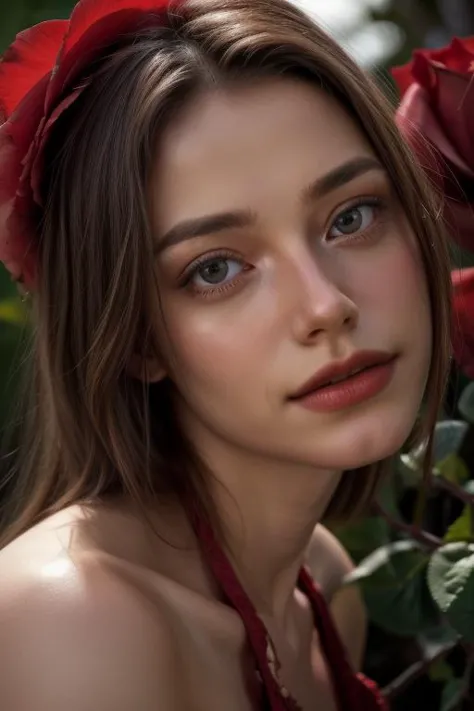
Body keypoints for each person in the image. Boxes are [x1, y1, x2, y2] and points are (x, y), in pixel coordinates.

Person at [0, 0, 452, 709]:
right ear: (136, 337)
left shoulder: (326, 585)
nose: (325, 306)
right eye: (214, 268)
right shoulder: (72, 623)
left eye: (350, 217)